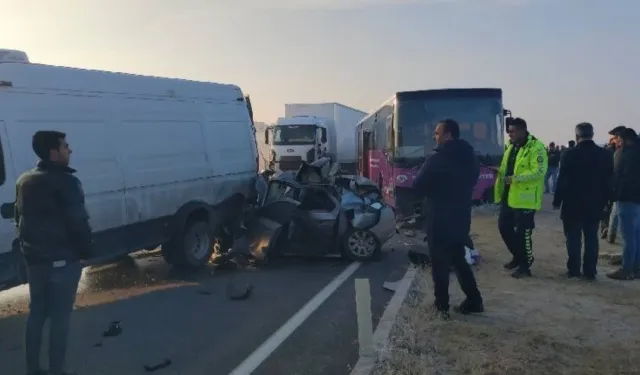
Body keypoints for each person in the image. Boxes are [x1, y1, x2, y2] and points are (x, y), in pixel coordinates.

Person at [15, 131, 92, 375]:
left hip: (35, 261)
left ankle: (32, 370)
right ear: (53, 152)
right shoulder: (67, 182)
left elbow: (19, 220)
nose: (70, 150)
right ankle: (56, 371)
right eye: (65, 146)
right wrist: (85, 252)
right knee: (60, 318)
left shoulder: (23, 180)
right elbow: (78, 222)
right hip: (62, 260)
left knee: (36, 313)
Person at [413, 119, 483, 319]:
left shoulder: (437, 159)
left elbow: (419, 184)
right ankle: (474, 300)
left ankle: (441, 305)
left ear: (447, 134)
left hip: (439, 216)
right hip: (461, 216)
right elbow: (473, 180)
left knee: (439, 262)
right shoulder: (470, 157)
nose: (434, 137)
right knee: (458, 259)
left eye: (437, 133)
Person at [552, 123, 613, 280]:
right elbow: (609, 181)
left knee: (573, 237)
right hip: (595, 204)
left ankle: (573, 270)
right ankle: (590, 272)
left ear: (576, 136)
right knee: (591, 237)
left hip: (573, 203)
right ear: (592, 135)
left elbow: (562, 180)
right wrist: (608, 201)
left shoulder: (569, 154)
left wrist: (557, 201)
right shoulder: (605, 154)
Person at [493, 117, 547, 278]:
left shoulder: (536, 147)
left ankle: (525, 265)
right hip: (509, 195)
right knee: (504, 227)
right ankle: (517, 256)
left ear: (523, 130)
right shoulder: (511, 147)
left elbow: (539, 171)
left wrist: (517, 178)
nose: (509, 134)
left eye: (512, 131)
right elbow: (507, 167)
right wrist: (498, 171)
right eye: (508, 131)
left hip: (526, 198)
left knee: (523, 233)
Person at [607, 127, 640, 280]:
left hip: (627, 199)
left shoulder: (624, 154)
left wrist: (613, 195)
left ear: (625, 140)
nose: (617, 142)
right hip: (637, 200)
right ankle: (636, 267)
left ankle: (627, 269)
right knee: (637, 236)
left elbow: (618, 177)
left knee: (628, 237)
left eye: (619, 140)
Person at [604, 126, 627, 244]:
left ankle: (610, 234)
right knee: (613, 212)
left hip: (620, 189)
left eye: (615, 137)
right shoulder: (614, 150)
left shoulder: (620, 152)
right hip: (618, 188)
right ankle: (608, 232)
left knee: (615, 212)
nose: (613, 140)